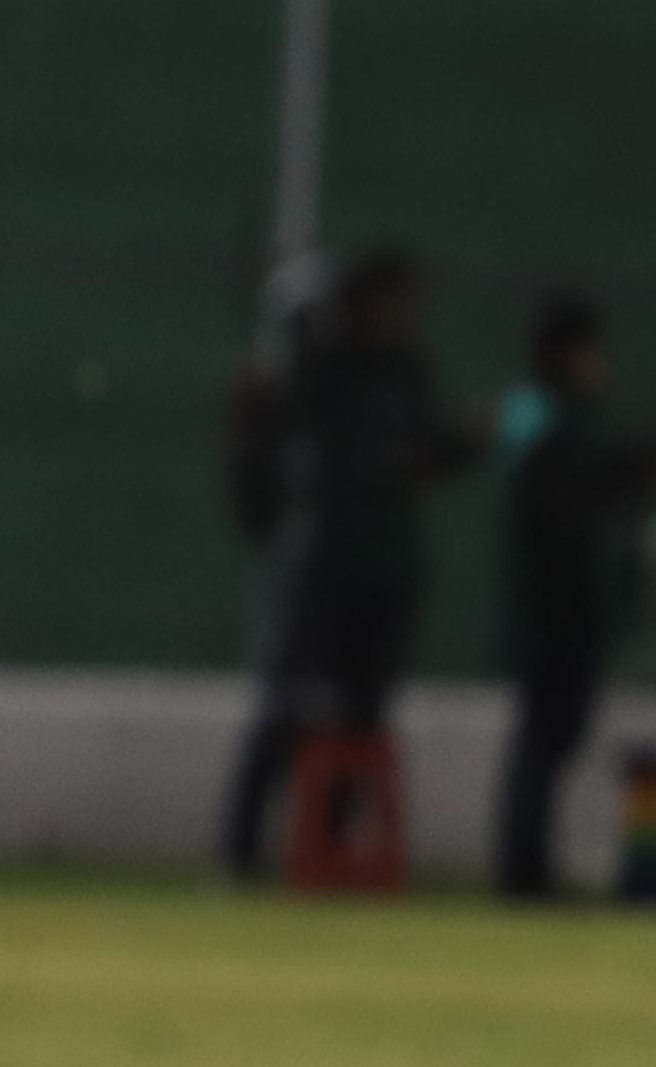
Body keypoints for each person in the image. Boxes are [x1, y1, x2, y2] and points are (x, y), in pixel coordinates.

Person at [216, 248, 481, 880]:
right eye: (390, 301)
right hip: (319, 564)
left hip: (386, 566)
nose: (404, 315)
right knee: (288, 703)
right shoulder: (325, 371)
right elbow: (267, 426)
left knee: (363, 714)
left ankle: (328, 850)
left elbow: (425, 456)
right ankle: (242, 852)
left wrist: (455, 447)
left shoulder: (408, 372)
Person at [492, 294, 651, 896]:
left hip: (568, 605)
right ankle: (523, 868)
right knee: (545, 735)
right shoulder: (541, 416)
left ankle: (528, 864)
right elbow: (571, 497)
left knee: (554, 734)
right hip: (554, 607)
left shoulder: (561, 417)